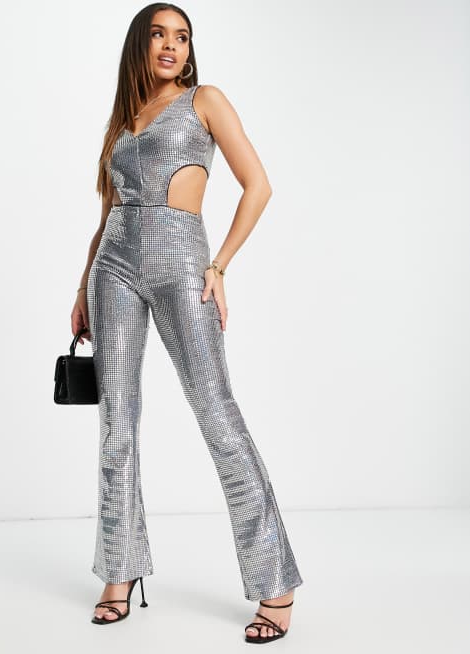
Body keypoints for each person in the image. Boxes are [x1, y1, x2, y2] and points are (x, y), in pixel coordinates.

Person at [70, 2, 304, 643]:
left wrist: (219, 266)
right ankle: (119, 572)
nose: (171, 46)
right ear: (139, 45)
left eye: (182, 37)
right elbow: (108, 211)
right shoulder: (122, 119)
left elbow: (258, 185)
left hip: (182, 263)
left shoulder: (205, 101)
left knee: (217, 412)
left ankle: (274, 582)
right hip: (113, 267)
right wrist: (83, 284)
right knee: (116, 421)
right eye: (158, 35)